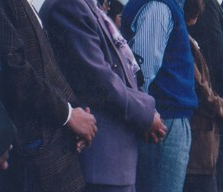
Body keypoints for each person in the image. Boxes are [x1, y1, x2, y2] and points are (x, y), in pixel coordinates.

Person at [41, 0, 169, 190]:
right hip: (103, 162)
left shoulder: (85, 5)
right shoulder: (69, 5)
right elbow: (99, 80)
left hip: (113, 161)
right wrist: (146, 114)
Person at [0, 0, 100, 190]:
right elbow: (16, 71)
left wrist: (77, 114)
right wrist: (69, 115)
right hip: (40, 156)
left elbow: (48, 68)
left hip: (56, 148)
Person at [121, 0, 201, 189]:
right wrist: (145, 114)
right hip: (163, 123)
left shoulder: (166, 6)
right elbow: (142, 73)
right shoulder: (159, 6)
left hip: (166, 119)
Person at [182, 0, 223, 191]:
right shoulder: (186, 39)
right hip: (201, 128)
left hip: (205, 127)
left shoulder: (190, 39)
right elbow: (201, 85)